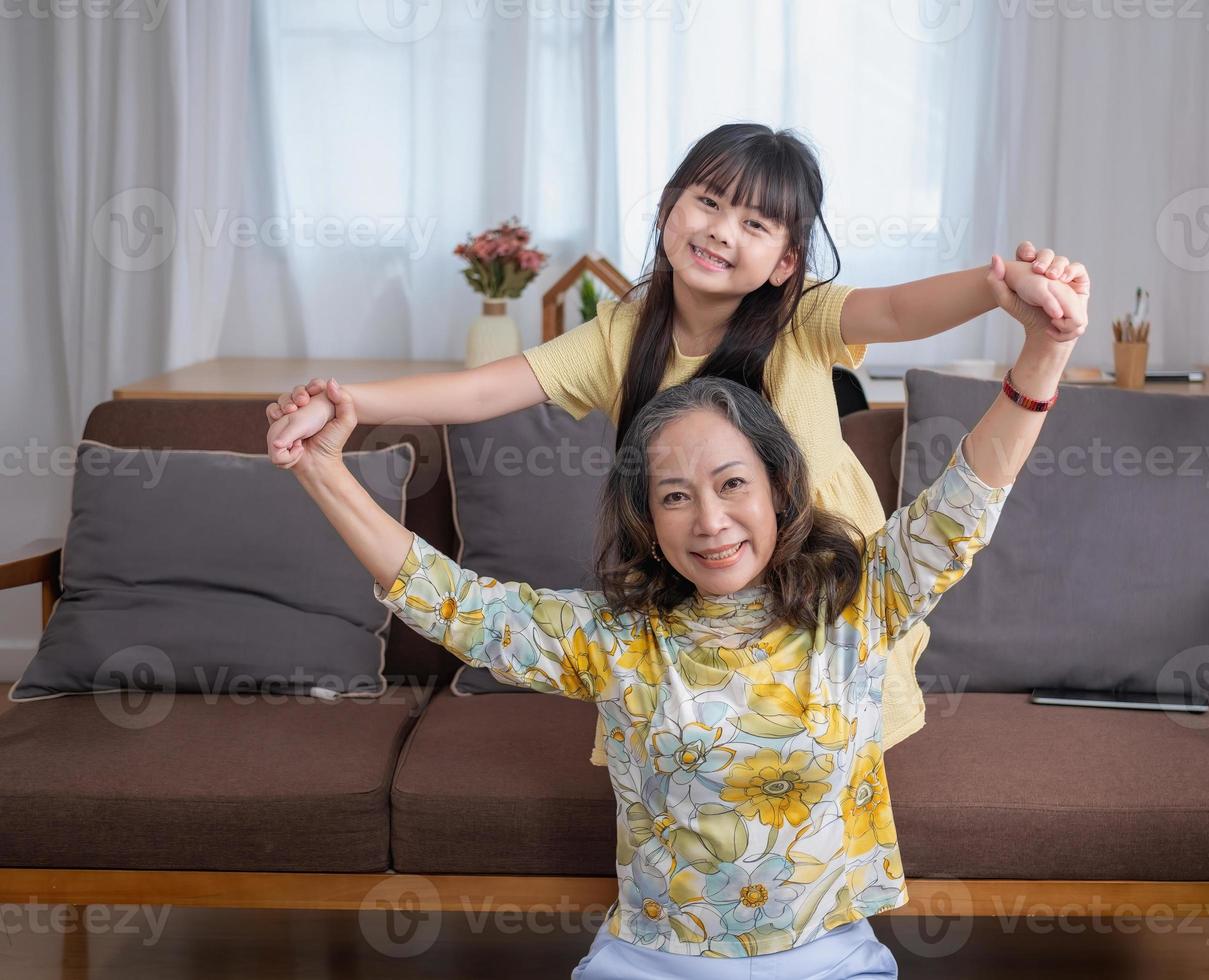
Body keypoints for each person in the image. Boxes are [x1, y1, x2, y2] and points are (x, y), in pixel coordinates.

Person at [277, 256, 1080, 976]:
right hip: (649, 965)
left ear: (778, 490)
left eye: (732, 484)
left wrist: (1044, 351)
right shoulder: (615, 636)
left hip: (828, 961)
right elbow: (453, 604)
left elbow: (965, 501)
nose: (710, 520)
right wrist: (321, 470)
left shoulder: (859, 601)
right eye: (674, 496)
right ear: (648, 525)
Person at [264, 122, 1088, 769]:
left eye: (755, 222)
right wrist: (350, 401)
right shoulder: (625, 332)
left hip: (821, 587)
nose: (722, 230)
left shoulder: (801, 319)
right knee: (695, 753)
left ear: (785, 261)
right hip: (696, 591)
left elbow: (902, 312)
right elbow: (489, 388)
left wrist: (997, 287)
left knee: (817, 750)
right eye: (707, 201)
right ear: (667, 207)